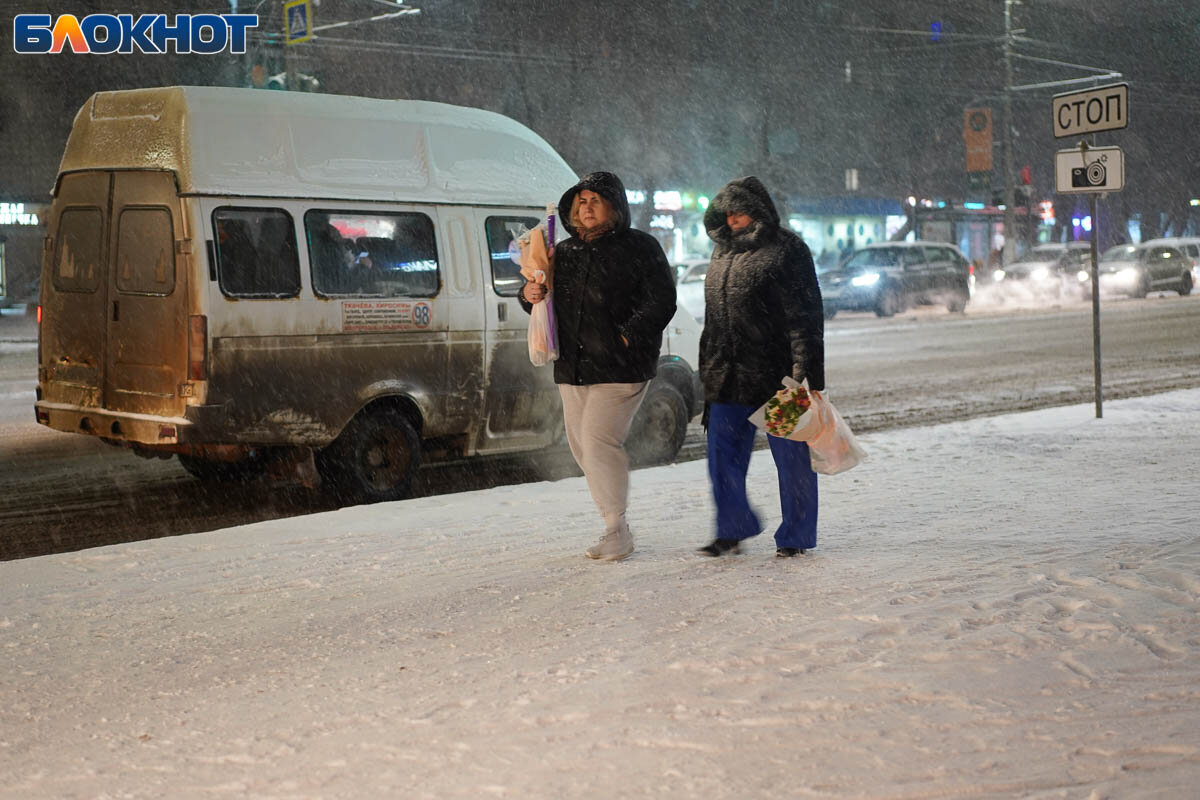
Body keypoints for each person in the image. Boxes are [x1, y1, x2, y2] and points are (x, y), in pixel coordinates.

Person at [519, 171, 677, 561]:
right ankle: (614, 525)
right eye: (582, 202)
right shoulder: (565, 252)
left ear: (614, 207)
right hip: (573, 364)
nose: (587, 208)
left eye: (596, 201)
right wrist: (530, 292)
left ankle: (615, 528)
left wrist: (626, 335)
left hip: (621, 366)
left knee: (598, 440)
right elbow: (540, 299)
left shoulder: (640, 247)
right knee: (582, 447)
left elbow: (662, 300)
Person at [697, 176, 825, 558]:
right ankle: (732, 528)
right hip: (727, 377)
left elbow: (805, 317)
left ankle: (796, 536)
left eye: (740, 211)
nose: (733, 218)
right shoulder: (721, 253)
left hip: (779, 378)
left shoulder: (788, 250)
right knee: (722, 461)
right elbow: (714, 318)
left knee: (792, 464)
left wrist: (806, 375)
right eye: (727, 212)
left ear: (759, 211)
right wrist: (708, 371)